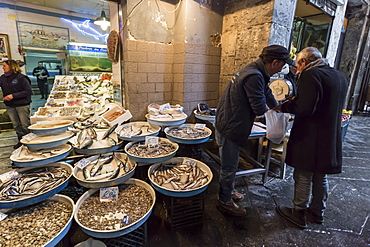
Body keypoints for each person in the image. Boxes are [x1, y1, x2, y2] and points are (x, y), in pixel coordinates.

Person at [273, 47, 348, 228]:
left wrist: (283, 107)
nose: (297, 70)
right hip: (330, 135)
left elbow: (305, 108)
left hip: (310, 136)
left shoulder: (311, 74)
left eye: (297, 65)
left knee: (303, 174)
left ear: (303, 62)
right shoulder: (339, 76)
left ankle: (298, 212)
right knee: (320, 176)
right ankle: (317, 212)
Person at [215, 45, 293, 216]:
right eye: (282, 65)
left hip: (229, 121)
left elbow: (267, 93)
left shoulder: (256, 71)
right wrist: (273, 115)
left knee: (231, 164)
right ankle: (224, 201)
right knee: (229, 166)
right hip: (231, 126)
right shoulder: (254, 76)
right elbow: (258, 108)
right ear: (274, 62)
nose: (282, 69)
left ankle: (228, 192)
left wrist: (279, 108)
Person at [0, 60, 33, 149]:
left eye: (4, 66)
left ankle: (30, 142)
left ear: (11, 66)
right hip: (10, 105)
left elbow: (28, 91)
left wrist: (13, 96)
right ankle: (20, 141)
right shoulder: (3, 78)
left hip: (22, 105)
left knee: (25, 125)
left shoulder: (21, 78)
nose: (2, 67)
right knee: (16, 125)